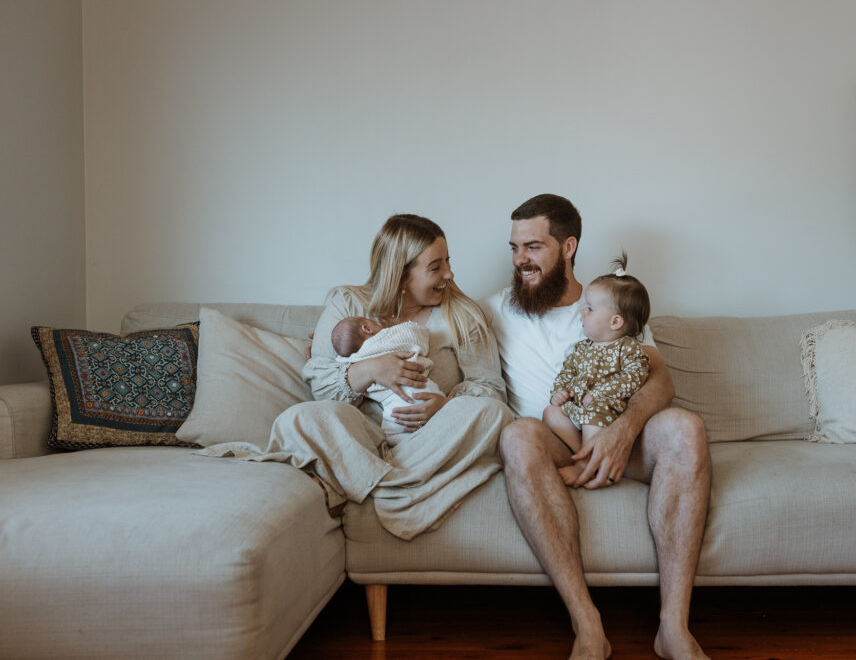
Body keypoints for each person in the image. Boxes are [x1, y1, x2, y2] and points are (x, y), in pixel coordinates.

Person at [482, 194, 711, 660]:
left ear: (568, 247)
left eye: (533, 247)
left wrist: (623, 429)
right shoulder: (493, 310)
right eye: (513, 248)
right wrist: (349, 351)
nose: (519, 260)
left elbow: (660, 378)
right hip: (556, 440)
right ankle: (587, 625)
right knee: (517, 435)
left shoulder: (607, 303)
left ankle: (673, 628)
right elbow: (421, 317)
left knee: (685, 428)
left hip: (618, 435)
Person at [204, 214, 513, 541]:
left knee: (494, 414)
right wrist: (370, 369)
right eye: (435, 267)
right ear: (401, 273)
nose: (449, 274)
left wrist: (445, 405)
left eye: (448, 262)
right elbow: (321, 384)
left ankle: (376, 485)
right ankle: (402, 489)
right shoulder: (348, 304)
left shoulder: (462, 315)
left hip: (431, 437)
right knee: (301, 418)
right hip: (361, 439)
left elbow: (491, 389)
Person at [543, 256, 651, 486]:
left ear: (615, 322)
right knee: (551, 412)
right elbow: (567, 372)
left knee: (595, 410)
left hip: (608, 411)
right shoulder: (582, 348)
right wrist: (560, 391)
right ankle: (588, 452)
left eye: (590, 309)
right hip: (578, 407)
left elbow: (635, 376)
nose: (582, 312)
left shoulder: (629, 348)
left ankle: (585, 465)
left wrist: (601, 393)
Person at [330, 316, 444, 446]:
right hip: (422, 391)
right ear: (366, 328)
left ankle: (397, 445)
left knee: (392, 435)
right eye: (374, 322)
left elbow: (339, 369)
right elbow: (416, 335)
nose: (383, 327)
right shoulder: (388, 337)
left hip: (395, 409)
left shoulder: (354, 359)